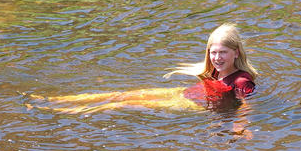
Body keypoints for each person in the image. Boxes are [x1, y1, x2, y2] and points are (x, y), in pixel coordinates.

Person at [25, 23, 257, 115]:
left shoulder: (241, 81)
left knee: (122, 103)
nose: (216, 58)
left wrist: (240, 129)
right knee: (122, 94)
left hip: (189, 103)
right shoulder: (216, 69)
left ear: (236, 52)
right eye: (212, 52)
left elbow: (247, 107)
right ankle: (51, 100)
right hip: (183, 93)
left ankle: (54, 110)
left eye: (222, 53)